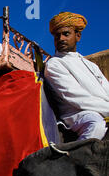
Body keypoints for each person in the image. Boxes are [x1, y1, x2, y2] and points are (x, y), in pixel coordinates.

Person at [44, 12, 109, 140]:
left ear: (78, 36)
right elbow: (77, 98)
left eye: (66, 34)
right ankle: (78, 160)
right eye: (57, 36)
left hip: (103, 109)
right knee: (97, 125)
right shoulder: (54, 64)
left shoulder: (91, 65)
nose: (61, 38)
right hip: (77, 114)